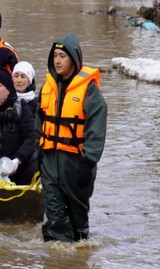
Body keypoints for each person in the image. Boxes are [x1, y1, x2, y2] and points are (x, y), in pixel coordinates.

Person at [36, 33, 107, 242]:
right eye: (55, 55)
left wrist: (89, 160)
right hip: (49, 160)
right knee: (53, 212)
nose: (57, 60)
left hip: (77, 163)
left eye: (62, 56)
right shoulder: (47, 87)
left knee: (78, 218)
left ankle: (77, 259)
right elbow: (38, 122)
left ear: (74, 59)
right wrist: (37, 152)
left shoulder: (90, 91)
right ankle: (57, 264)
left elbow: (97, 127)